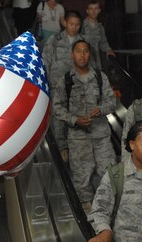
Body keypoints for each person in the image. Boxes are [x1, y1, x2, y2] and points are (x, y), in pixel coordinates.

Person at [53, 39, 116, 214]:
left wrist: (102, 109)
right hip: (78, 138)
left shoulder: (100, 77)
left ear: (90, 54)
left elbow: (111, 101)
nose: (82, 55)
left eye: (86, 51)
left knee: (109, 173)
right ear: (72, 55)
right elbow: (57, 108)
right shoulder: (65, 80)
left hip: (101, 135)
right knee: (82, 177)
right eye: (78, 51)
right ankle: (88, 212)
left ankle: (109, 208)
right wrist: (74, 119)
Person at [43, 10, 91, 155]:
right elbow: (46, 60)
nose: (74, 27)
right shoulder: (55, 39)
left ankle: (76, 149)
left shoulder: (83, 41)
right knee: (58, 117)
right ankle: (62, 148)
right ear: (64, 22)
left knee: (76, 116)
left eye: (77, 24)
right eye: (71, 24)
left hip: (77, 85)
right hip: (56, 85)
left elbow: (90, 62)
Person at [81, 0, 115, 71]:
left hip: (96, 62)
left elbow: (103, 42)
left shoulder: (100, 27)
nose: (93, 11)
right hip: (83, 61)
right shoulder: (81, 25)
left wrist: (108, 50)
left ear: (99, 10)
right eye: (91, 8)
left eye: (96, 8)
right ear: (87, 11)